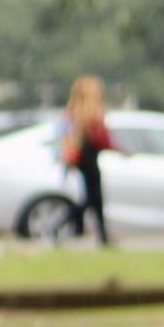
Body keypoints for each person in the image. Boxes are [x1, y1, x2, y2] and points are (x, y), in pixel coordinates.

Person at [59, 76, 115, 246]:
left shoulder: (72, 112)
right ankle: (61, 224)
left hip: (80, 159)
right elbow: (101, 139)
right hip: (89, 158)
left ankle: (103, 237)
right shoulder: (91, 113)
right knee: (94, 199)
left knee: (92, 198)